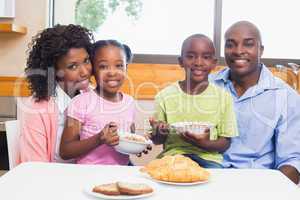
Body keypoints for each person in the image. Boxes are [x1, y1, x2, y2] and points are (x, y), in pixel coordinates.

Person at [210, 21, 300, 184]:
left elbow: (292, 162)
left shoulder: (286, 97)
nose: (238, 51)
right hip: (206, 179)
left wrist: (269, 191)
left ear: (261, 50)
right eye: (231, 45)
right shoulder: (206, 87)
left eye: (248, 44)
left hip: (257, 183)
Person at [149, 34, 238, 168]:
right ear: (181, 61)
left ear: (214, 63)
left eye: (206, 57)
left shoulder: (224, 98)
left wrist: (204, 144)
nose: (198, 62)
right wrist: (159, 132)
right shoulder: (164, 96)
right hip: (174, 156)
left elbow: (225, 143)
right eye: (190, 56)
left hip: (209, 159)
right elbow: (157, 141)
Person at [18, 24, 94, 163]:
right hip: (52, 180)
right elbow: (34, 168)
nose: (85, 72)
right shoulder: (37, 109)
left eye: (86, 60)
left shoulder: (92, 94)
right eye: (73, 66)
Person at [59, 40, 136, 165]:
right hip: (89, 175)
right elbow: (65, 151)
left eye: (119, 65)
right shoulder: (80, 102)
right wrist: (99, 139)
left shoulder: (130, 102)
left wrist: (138, 146)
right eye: (103, 66)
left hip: (120, 174)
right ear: (93, 71)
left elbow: (130, 136)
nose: (112, 72)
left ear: (126, 68)